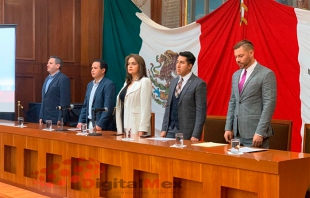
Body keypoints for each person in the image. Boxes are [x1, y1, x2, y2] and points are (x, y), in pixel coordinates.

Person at [224, 40, 277, 148]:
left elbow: (269, 104)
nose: (237, 60)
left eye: (241, 56)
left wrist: (260, 132)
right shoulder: (235, 75)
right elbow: (233, 101)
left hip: (255, 134)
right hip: (237, 134)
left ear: (251, 53)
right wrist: (228, 127)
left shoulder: (266, 74)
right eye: (236, 57)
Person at [160, 51, 207, 141]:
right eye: (177, 62)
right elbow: (168, 107)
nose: (178, 65)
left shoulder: (198, 84)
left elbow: (200, 112)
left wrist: (196, 135)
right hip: (170, 130)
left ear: (190, 66)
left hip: (187, 132)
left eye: (182, 63)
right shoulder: (173, 82)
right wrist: (163, 129)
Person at [115, 54, 152, 136]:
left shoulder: (144, 81)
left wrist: (143, 129)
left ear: (140, 66)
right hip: (124, 123)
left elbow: (146, 108)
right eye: (128, 64)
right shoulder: (126, 83)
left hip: (136, 126)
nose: (130, 66)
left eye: (133, 64)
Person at [77, 59, 116, 131]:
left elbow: (108, 108)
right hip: (88, 123)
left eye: (95, 68)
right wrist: (80, 121)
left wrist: (100, 124)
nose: (92, 70)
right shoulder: (90, 85)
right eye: (92, 68)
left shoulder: (109, 85)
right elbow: (85, 106)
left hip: (101, 126)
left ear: (103, 70)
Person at [39, 56, 71, 125]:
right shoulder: (47, 79)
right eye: (48, 63)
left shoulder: (63, 79)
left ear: (57, 66)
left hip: (56, 119)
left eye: (50, 63)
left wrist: (60, 118)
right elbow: (44, 99)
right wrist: (41, 116)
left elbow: (64, 100)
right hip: (45, 119)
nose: (47, 65)